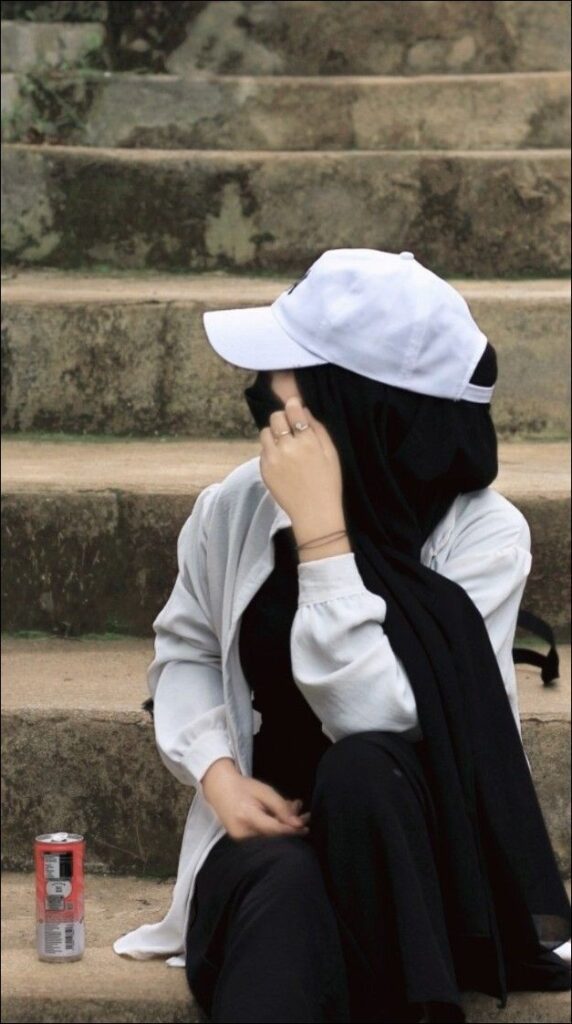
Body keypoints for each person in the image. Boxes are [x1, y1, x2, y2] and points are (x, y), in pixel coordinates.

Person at [113, 250, 571, 1023]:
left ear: (356, 402)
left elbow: (380, 713)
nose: (263, 389)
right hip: (266, 853)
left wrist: (324, 540)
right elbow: (186, 651)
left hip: (414, 860)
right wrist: (219, 775)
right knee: (286, 886)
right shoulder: (238, 505)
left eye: (289, 372)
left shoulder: (483, 537)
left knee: (364, 771)